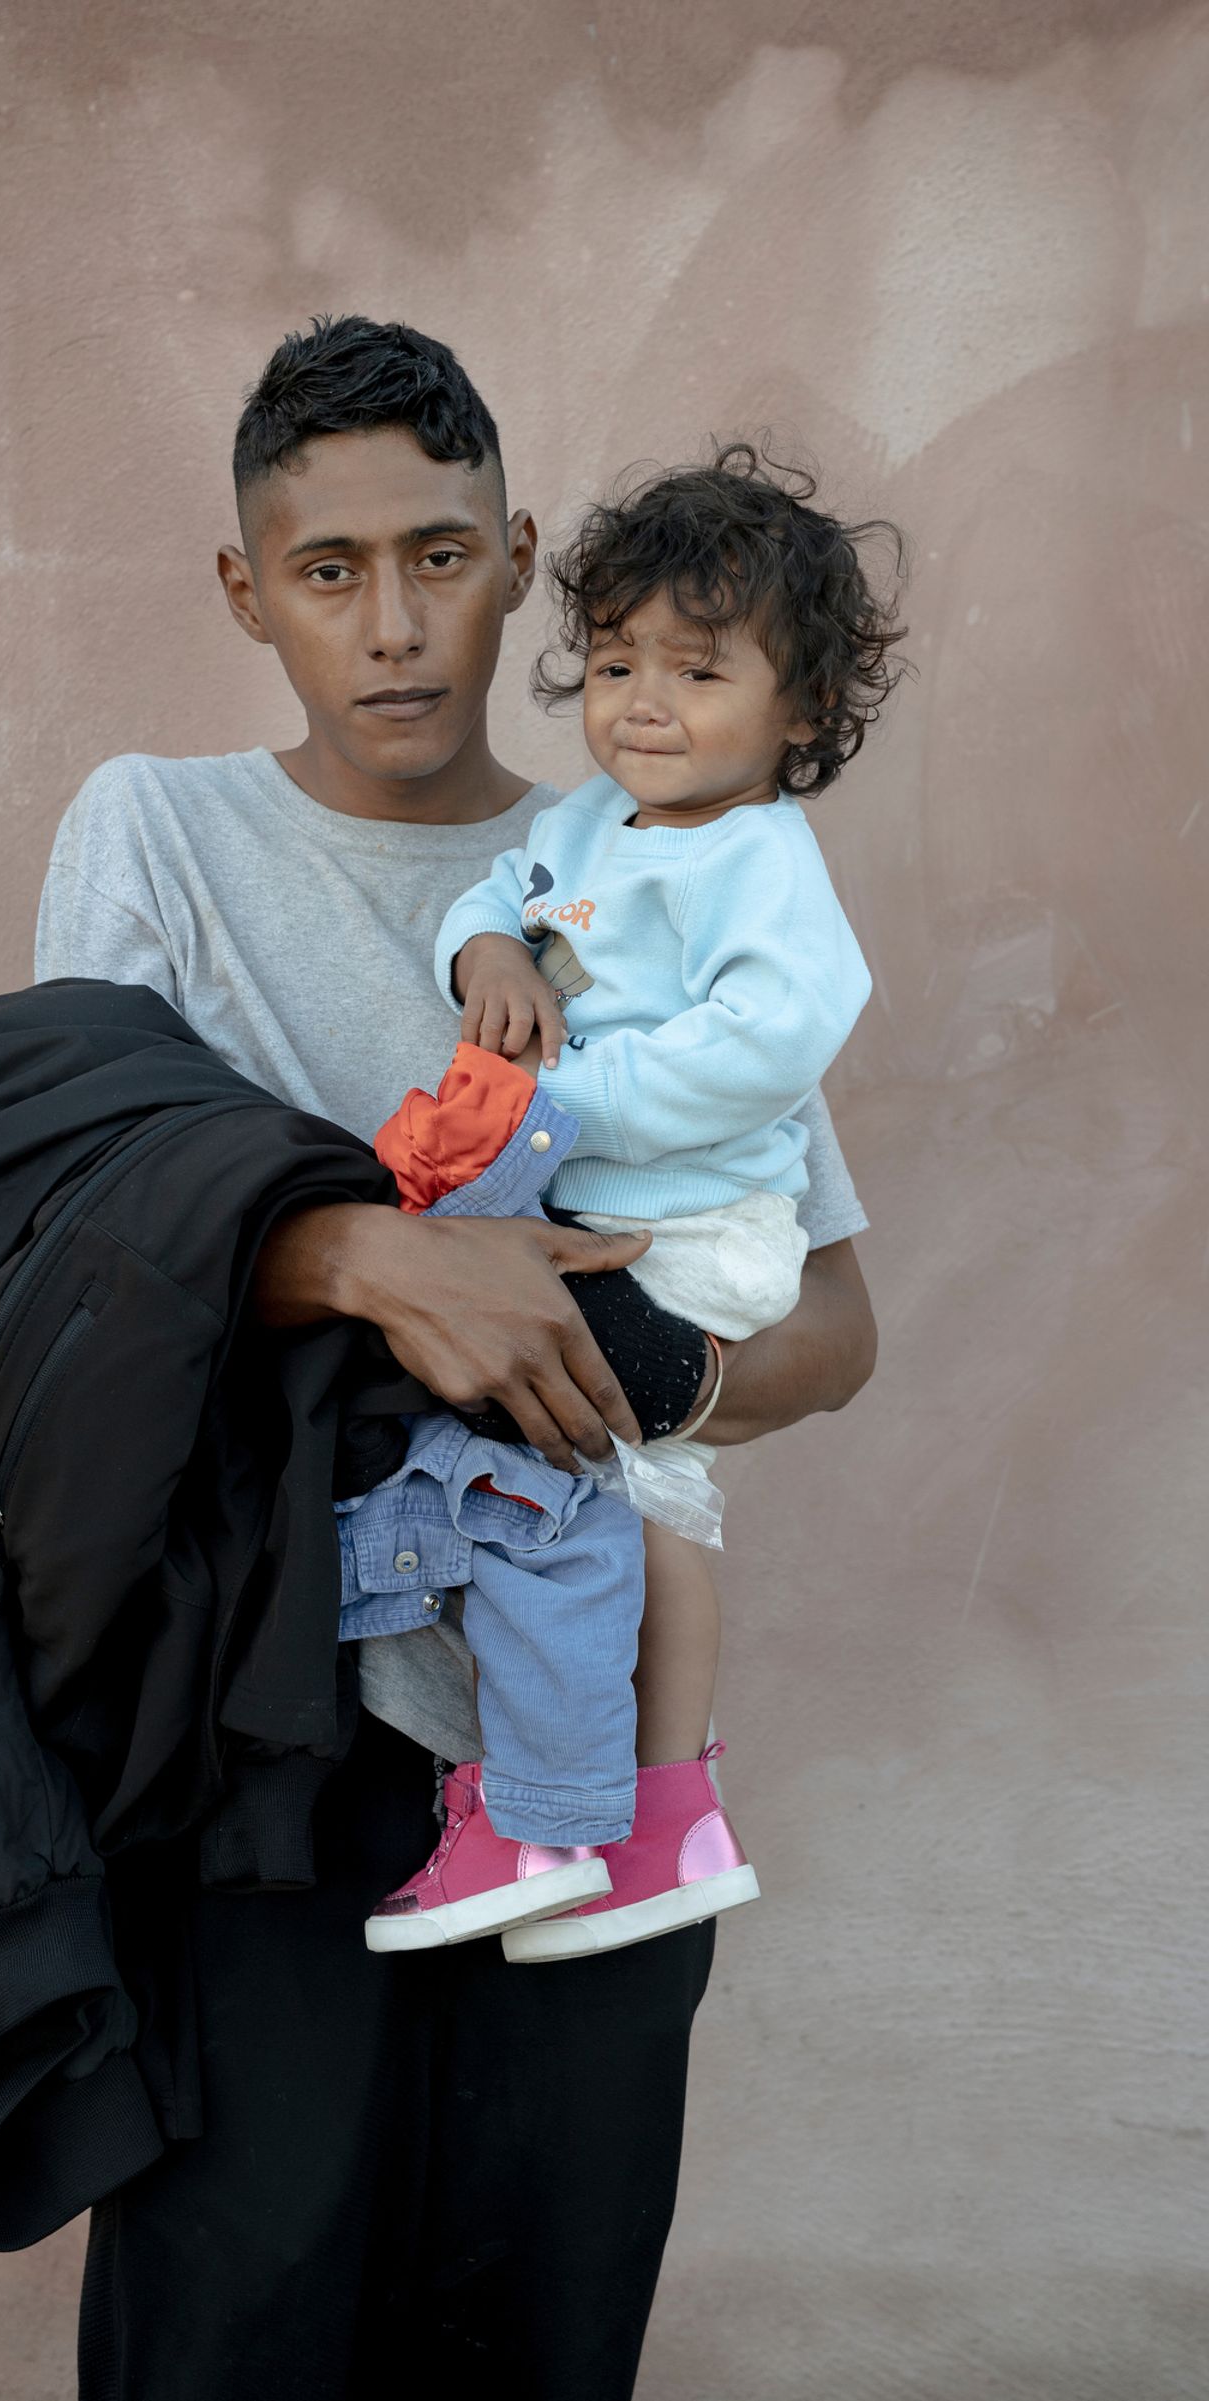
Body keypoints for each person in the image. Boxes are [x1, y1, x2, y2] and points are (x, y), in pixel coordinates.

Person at [36, 316, 876, 2400]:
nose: (393, 625)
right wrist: (389, 1268)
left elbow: (834, 1322)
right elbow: (67, 1231)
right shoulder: (158, 834)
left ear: (516, 564)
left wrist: (619, 1366)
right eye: (328, 571)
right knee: (230, 2335)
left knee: (535, 2340)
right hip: (259, 1737)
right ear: (248, 590)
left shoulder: (664, 848)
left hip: (583, 1773)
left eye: (437, 558)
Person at [360, 446, 904, 1962]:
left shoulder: (760, 863)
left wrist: (565, 1096)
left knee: (580, 1483)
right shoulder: (593, 823)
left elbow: (769, 1043)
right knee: (589, 1494)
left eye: (698, 671)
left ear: (802, 710)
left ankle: (577, 1806)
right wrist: (489, 956)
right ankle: (639, 1817)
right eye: (616, 664)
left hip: (698, 1230)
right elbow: (500, 899)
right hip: (589, 1205)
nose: (644, 704)